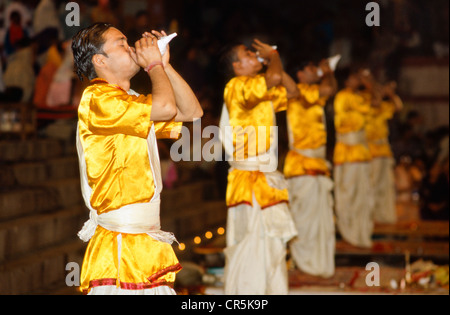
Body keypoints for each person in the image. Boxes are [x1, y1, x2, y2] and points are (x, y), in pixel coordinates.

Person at [72, 23, 202, 295]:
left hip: (143, 238)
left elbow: (192, 112)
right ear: (100, 60)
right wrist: (153, 66)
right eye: (121, 43)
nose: (131, 47)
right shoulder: (97, 98)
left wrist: (164, 66)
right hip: (122, 243)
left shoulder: (129, 101)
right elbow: (166, 107)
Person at [219, 40, 298, 295]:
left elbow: (292, 90)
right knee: (250, 241)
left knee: (271, 244)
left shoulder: (259, 88)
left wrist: (271, 61)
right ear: (237, 66)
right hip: (248, 176)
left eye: (255, 54)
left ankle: (270, 290)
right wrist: (273, 55)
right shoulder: (237, 86)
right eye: (248, 54)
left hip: (265, 174)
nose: (254, 56)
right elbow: (275, 76)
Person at [283, 58, 337, 278]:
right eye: (311, 67)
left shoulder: (313, 92)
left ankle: (316, 263)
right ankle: (303, 263)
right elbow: (328, 88)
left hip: (316, 164)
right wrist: (326, 72)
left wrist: (327, 73)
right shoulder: (298, 93)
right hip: (302, 166)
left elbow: (330, 89)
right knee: (305, 220)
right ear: (300, 74)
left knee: (321, 221)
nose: (315, 71)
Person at [333, 69, 373, 249]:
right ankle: (348, 231)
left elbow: (375, 103)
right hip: (349, 152)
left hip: (360, 151)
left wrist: (369, 83)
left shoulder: (357, 96)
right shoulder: (344, 96)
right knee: (348, 193)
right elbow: (367, 106)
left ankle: (360, 232)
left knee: (363, 194)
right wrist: (369, 83)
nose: (358, 80)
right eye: (356, 77)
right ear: (347, 80)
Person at [365, 80, 403, 224]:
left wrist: (391, 94)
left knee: (386, 185)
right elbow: (374, 101)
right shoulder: (365, 106)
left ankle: (384, 216)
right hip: (370, 151)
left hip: (384, 150)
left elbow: (399, 107)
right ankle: (371, 216)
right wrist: (377, 89)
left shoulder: (383, 107)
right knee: (372, 185)